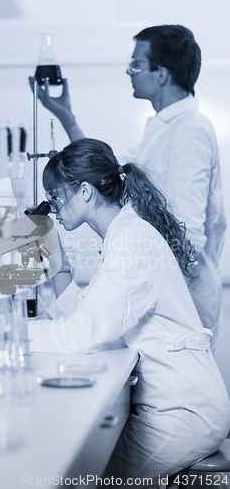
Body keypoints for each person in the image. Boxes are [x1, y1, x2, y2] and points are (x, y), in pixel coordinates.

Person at [27, 138, 230, 488]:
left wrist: (7, 335)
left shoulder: (132, 244)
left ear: (86, 192)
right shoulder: (125, 235)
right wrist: (58, 265)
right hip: (174, 405)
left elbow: (82, 334)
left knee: (77, 476)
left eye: (56, 197)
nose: (53, 209)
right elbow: (95, 322)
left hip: (182, 414)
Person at [29, 24, 226, 353]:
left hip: (178, 310)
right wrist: (66, 118)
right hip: (153, 295)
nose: (128, 71)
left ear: (161, 74)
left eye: (135, 64)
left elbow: (186, 236)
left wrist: (126, 263)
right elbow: (105, 170)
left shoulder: (189, 132)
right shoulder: (161, 128)